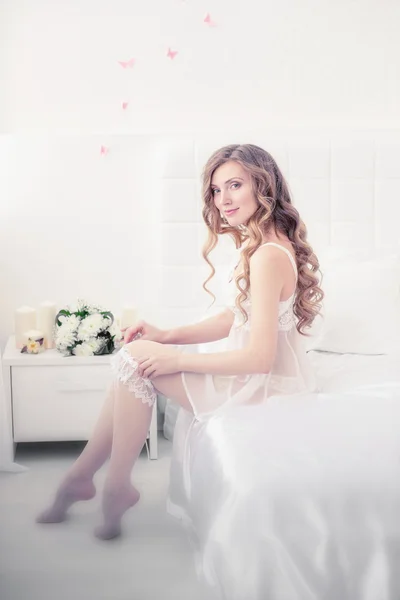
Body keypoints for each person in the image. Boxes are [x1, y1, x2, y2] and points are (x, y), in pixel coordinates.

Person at [35, 143, 323, 542]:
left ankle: (103, 483)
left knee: (134, 362)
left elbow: (259, 357)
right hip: (258, 376)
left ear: (264, 185)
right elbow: (235, 317)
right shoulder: (259, 245)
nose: (222, 200)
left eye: (234, 185)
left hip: (264, 385)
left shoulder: (267, 255)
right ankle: (92, 481)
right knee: (133, 360)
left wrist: (178, 360)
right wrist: (168, 336)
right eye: (216, 190)